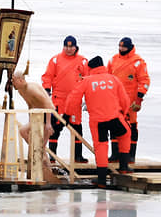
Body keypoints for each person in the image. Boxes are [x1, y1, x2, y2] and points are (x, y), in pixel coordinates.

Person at [65, 56, 132, 188]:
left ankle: (101, 179)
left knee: (101, 146)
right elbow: (125, 100)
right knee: (125, 134)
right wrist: (123, 114)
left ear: (90, 68)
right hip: (114, 117)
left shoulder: (86, 81)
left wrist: (67, 114)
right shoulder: (114, 79)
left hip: (97, 121)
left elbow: (73, 98)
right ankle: (124, 166)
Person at [41, 36, 89, 164]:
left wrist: (89, 97)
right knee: (54, 130)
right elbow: (47, 77)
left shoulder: (83, 61)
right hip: (58, 101)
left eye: (71, 46)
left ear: (75, 47)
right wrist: (46, 90)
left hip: (75, 102)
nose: (68, 49)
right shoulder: (55, 60)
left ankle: (78, 156)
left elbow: (89, 79)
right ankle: (52, 156)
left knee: (77, 129)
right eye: (66, 46)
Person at [107, 37, 150, 163]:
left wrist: (139, 99)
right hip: (115, 99)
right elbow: (108, 77)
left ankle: (131, 155)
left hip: (131, 101)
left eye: (124, 47)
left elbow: (145, 81)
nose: (121, 49)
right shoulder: (113, 60)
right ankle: (115, 154)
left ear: (130, 47)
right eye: (120, 47)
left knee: (131, 126)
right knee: (114, 125)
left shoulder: (138, 62)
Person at [12, 71, 56, 179]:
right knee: (23, 131)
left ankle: (48, 173)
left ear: (21, 80)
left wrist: (49, 124)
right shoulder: (21, 91)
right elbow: (30, 104)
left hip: (48, 115)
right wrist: (30, 118)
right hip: (37, 116)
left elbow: (48, 104)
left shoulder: (31, 88)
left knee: (41, 148)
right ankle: (47, 171)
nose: (13, 83)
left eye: (14, 81)